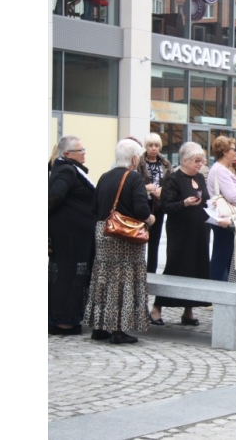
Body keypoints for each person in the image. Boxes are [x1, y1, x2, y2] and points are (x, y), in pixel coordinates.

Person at [84, 138, 155, 343]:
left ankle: (100, 326)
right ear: (134, 158)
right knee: (123, 281)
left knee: (104, 279)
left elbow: (94, 208)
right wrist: (151, 219)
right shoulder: (133, 178)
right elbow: (142, 210)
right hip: (124, 238)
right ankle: (118, 330)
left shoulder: (105, 176)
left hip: (104, 233)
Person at [149, 142, 211, 326]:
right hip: (180, 231)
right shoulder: (174, 179)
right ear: (184, 161)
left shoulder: (200, 177)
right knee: (175, 268)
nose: (200, 164)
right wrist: (184, 203)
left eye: (201, 160)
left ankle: (188, 311)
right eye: (196, 160)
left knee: (196, 270)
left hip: (199, 229)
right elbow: (166, 206)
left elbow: (205, 198)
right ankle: (157, 308)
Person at [48, 136, 95, 336]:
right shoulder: (67, 170)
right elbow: (54, 196)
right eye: (80, 150)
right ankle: (63, 321)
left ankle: (66, 318)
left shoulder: (68, 169)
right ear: (68, 154)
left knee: (72, 276)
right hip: (69, 236)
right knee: (68, 276)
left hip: (75, 234)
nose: (84, 152)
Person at [207, 136, 236, 281]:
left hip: (223, 216)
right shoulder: (221, 170)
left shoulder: (221, 169)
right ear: (224, 152)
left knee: (223, 254)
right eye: (233, 149)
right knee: (222, 255)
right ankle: (216, 290)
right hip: (223, 217)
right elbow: (233, 197)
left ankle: (220, 289)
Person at [137, 133, 172, 274]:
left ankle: (151, 271)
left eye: (156, 146)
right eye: (151, 145)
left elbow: (170, 182)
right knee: (139, 238)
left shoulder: (165, 163)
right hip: (143, 204)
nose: (153, 149)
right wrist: (146, 188)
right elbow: (133, 182)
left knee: (155, 241)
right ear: (146, 147)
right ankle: (139, 271)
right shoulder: (139, 162)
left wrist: (162, 189)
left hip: (158, 205)